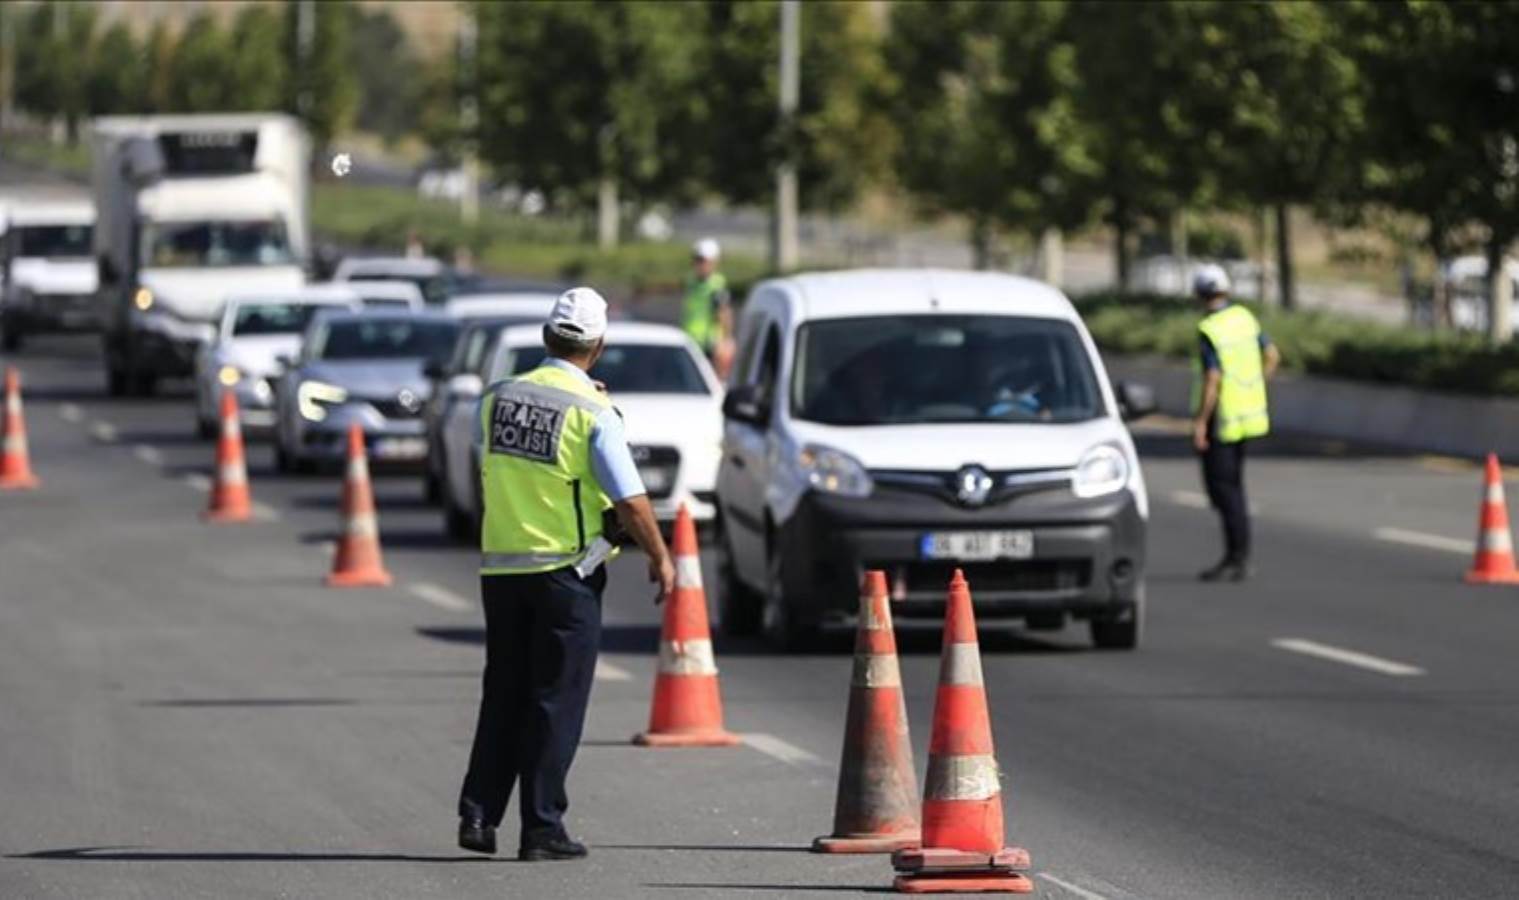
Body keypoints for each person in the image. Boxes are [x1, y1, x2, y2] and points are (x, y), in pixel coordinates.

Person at [457, 286, 676, 861]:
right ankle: (541, 827)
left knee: (503, 692)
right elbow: (629, 502)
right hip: (564, 573)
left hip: (501, 569)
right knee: (556, 700)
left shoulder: (496, 398)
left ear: (546, 337)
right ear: (597, 347)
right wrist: (661, 556)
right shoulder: (593, 413)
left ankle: (478, 815)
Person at [1190, 264, 1280, 582]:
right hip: (1248, 416)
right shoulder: (1243, 317)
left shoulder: (1210, 329)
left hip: (1223, 419)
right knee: (1235, 488)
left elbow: (1212, 378)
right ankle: (1237, 555)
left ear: (1199, 294)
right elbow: (1272, 355)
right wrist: (1255, 385)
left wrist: (1201, 422)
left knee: (1225, 491)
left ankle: (1236, 557)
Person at [680, 238, 732, 365]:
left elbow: (724, 313)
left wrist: (726, 341)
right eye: (697, 260)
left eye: (703, 261)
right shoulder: (691, 281)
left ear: (714, 262)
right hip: (689, 340)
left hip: (709, 345)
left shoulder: (716, 285)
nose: (699, 264)